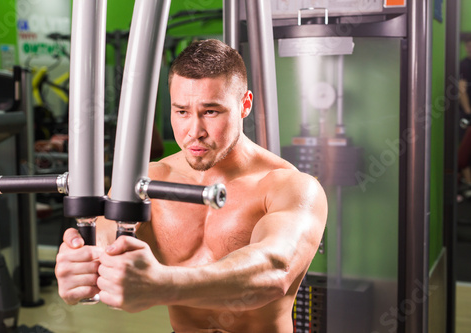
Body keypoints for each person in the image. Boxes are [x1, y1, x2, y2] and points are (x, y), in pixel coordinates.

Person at [55, 39, 327, 333]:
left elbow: (275, 269)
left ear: (244, 105)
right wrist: (80, 265)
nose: (193, 132)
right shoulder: (150, 181)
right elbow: (104, 238)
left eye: (210, 111)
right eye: (182, 111)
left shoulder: (291, 186)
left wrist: (162, 284)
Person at [459, 37, 471, 200]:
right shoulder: (464, 64)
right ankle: (469, 184)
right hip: (467, 116)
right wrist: (468, 111)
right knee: (465, 150)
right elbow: (461, 89)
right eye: (468, 46)